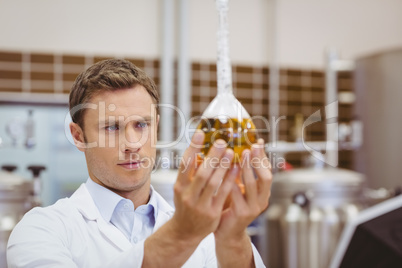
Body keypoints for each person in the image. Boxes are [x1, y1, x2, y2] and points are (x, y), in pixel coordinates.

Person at [7, 59, 272, 267]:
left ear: (156, 127)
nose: (132, 143)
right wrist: (181, 234)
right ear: (78, 136)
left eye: (141, 125)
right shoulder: (42, 229)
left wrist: (233, 237)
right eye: (112, 127)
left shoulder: (205, 230)